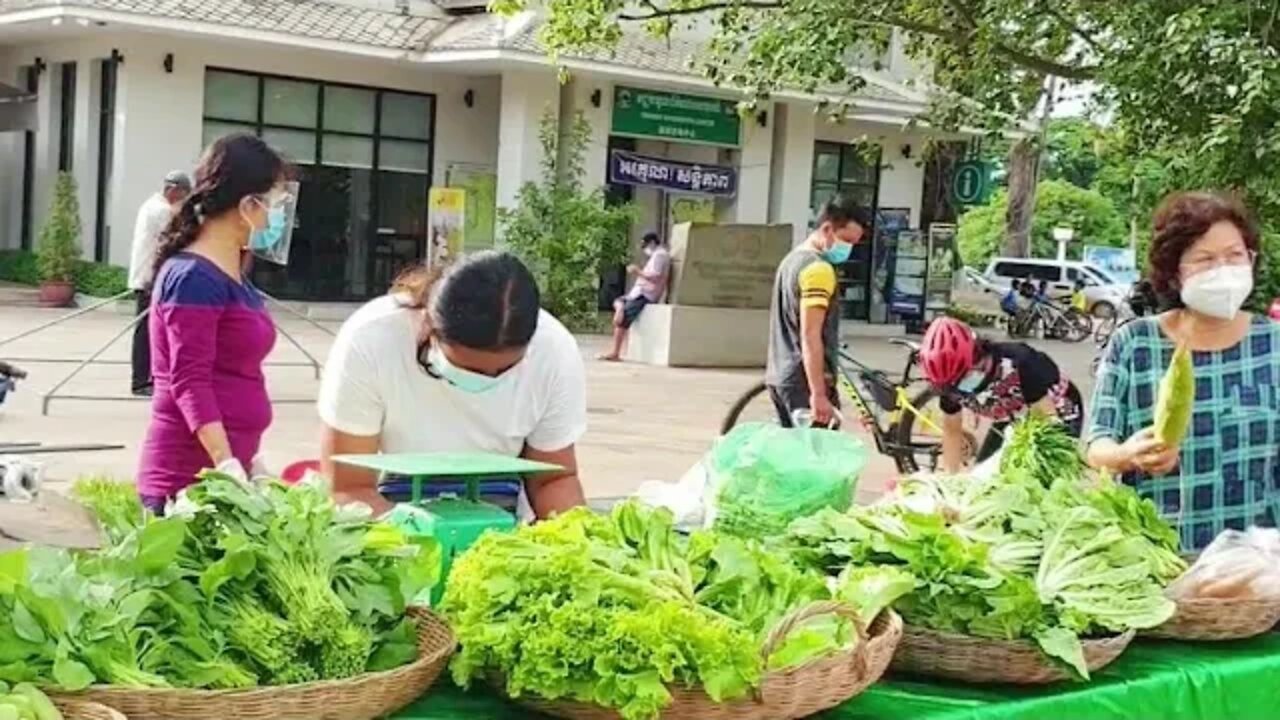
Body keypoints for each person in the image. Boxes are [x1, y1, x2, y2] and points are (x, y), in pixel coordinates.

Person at [318, 250, 588, 521]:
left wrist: (575, 541)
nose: (485, 380)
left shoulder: (553, 350)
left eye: (504, 371)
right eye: (467, 369)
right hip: (394, 516)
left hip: (502, 515)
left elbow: (553, 480)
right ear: (430, 327)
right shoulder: (372, 338)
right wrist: (414, 539)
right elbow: (349, 487)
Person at [1086, 192, 1280, 551]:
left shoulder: (1274, 343)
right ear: (1174, 273)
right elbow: (1096, 445)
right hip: (1154, 558)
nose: (1224, 270)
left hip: (1257, 567)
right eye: (1205, 260)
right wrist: (1126, 454)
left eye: (1235, 256)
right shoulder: (1135, 342)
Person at [136, 134, 292, 512]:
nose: (278, 215)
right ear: (248, 205)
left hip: (227, 478)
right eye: (275, 202)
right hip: (189, 482)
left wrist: (251, 461)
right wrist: (226, 463)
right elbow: (189, 380)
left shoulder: (233, 272)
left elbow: (235, 372)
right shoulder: (193, 276)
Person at [919, 316, 1081, 472]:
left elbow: (1046, 420)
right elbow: (952, 431)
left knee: (1039, 475)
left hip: (1054, 411)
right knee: (982, 477)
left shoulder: (1021, 363)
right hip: (1011, 415)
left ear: (980, 356)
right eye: (953, 385)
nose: (960, 388)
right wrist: (950, 479)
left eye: (964, 378)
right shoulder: (948, 384)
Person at [765, 195, 869, 427]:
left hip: (780, 375)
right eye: (846, 240)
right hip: (804, 383)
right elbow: (810, 335)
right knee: (818, 459)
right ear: (827, 229)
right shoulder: (818, 270)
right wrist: (818, 394)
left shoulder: (790, 261)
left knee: (793, 457)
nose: (849, 249)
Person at [127, 171, 192, 397]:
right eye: (183, 195)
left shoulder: (151, 205)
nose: (183, 201)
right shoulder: (161, 210)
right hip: (150, 279)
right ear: (174, 191)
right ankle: (141, 380)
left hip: (149, 277)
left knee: (152, 330)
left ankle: (150, 377)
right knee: (146, 332)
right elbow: (177, 237)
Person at [601, 231, 671, 362]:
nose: (645, 250)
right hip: (638, 292)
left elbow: (655, 277)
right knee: (618, 300)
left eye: (645, 246)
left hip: (645, 294)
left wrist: (636, 271)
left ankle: (615, 352)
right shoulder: (656, 255)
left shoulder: (660, 255)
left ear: (652, 243)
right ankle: (620, 309)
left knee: (622, 321)